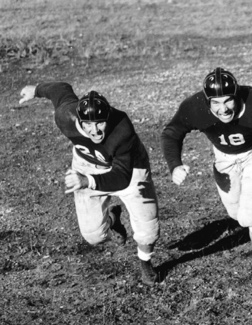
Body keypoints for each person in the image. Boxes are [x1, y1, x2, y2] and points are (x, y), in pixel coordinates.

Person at [161, 67, 252, 294]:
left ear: (237, 96)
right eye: (216, 103)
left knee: (251, 216)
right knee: (236, 215)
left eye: (228, 101)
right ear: (207, 101)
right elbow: (172, 132)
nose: (223, 108)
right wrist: (174, 164)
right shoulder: (194, 107)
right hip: (224, 158)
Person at [18, 83, 160, 285]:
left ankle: (146, 263)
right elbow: (59, 89)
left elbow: (121, 178)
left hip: (128, 166)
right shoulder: (65, 116)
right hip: (88, 164)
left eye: (100, 123)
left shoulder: (122, 129)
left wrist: (87, 181)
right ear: (79, 119)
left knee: (148, 230)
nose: (94, 130)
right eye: (88, 124)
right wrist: (36, 90)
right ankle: (113, 218)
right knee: (94, 236)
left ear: (108, 117)